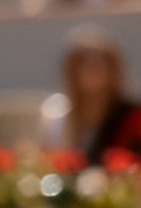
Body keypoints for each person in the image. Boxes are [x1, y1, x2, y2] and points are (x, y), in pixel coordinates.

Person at [43, 25, 141, 162]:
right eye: (84, 60)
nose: (94, 66)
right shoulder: (58, 116)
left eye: (102, 60)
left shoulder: (132, 117)